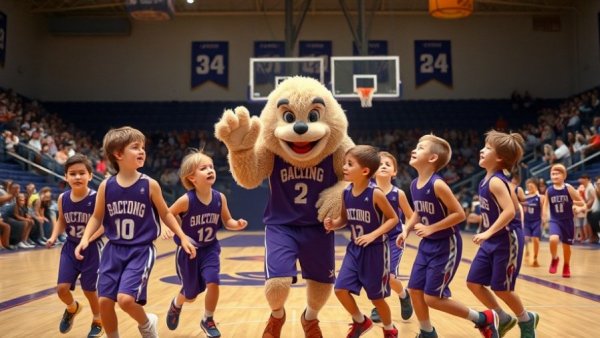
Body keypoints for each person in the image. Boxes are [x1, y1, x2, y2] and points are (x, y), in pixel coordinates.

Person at [74, 126, 196, 338]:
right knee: (104, 302)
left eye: (143, 147)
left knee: (126, 300)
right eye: (135, 147)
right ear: (118, 154)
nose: (142, 151)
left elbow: (166, 214)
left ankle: (147, 324)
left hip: (140, 250)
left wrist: (183, 237)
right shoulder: (106, 186)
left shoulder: (150, 184)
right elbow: (96, 216)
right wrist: (85, 238)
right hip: (112, 250)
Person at [396, 135, 497, 338]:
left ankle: (483, 318)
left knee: (432, 297)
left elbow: (459, 214)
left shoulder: (438, 184)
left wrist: (432, 228)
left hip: (446, 245)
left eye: (420, 147)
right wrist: (407, 229)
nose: (414, 150)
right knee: (415, 290)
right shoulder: (415, 184)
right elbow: (418, 210)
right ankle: (427, 332)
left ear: (432, 158)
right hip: (427, 245)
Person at [164, 150, 248, 337]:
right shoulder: (187, 200)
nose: (210, 170)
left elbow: (228, 222)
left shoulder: (220, 198)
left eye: (211, 167)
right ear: (192, 178)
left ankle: (207, 319)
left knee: (213, 281)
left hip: (210, 249)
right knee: (191, 295)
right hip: (189, 251)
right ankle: (176, 305)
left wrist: (237, 224)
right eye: (203, 168)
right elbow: (168, 213)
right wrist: (171, 228)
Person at [466, 130, 539, 338]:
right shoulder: (486, 180)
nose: (482, 150)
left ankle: (526, 319)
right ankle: (503, 317)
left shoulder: (497, 181)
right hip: (492, 238)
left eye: (487, 148)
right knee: (473, 282)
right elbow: (508, 207)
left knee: (502, 288)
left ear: (499, 158)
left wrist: (488, 231)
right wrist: (485, 226)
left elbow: (510, 211)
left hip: (507, 240)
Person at [324, 145, 400, 337]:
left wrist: (373, 235)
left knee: (377, 298)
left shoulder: (375, 193)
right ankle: (360, 321)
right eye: (345, 164)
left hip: (376, 251)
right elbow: (344, 219)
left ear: (365, 171)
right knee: (340, 289)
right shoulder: (346, 192)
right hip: (354, 249)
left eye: (350, 164)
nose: (345, 168)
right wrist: (334, 223)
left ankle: (390, 329)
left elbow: (393, 219)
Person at [46, 154, 105, 337]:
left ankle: (98, 319)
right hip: (71, 247)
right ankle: (72, 308)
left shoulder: (97, 198)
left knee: (89, 290)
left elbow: (103, 226)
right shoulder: (63, 198)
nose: (77, 177)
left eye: (81, 173)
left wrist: (87, 240)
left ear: (89, 175)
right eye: (72, 173)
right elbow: (62, 220)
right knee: (62, 289)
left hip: (92, 249)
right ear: (66, 177)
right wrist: (53, 236)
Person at [369, 151, 414, 324]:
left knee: (389, 276)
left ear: (394, 172)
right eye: (380, 164)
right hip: (374, 240)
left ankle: (402, 296)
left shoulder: (398, 194)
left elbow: (411, 215)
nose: (384, 166)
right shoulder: (368, 191)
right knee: (374, 276)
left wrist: (405, 230)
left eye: (388, 164)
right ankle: (383, 303)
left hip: (394, 239)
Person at [542, 164, 585, 278]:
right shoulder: (549, 190)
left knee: (566, 247)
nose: (555, 176)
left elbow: (581, 203)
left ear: (564, 175)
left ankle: (566, 265)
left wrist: (575, 205)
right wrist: (544, 216)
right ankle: (555, 258)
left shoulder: (568, 188)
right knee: (553, 239)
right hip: (555, 220)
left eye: (557, 173)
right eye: (553, 174)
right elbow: (545, 204)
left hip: (568, 221)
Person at [523, 178, 544, 267]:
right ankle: (527, 250)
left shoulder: (541, 197)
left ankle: (535, 258)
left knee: (535, 239)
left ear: (536, 186)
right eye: (528, 186)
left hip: (536, 221)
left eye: (531, 186)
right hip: (527, 222)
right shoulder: (525, 197)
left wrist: (544, 220)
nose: (529, 187)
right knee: (526, 238)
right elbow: (522, 210)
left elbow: (543, 210)